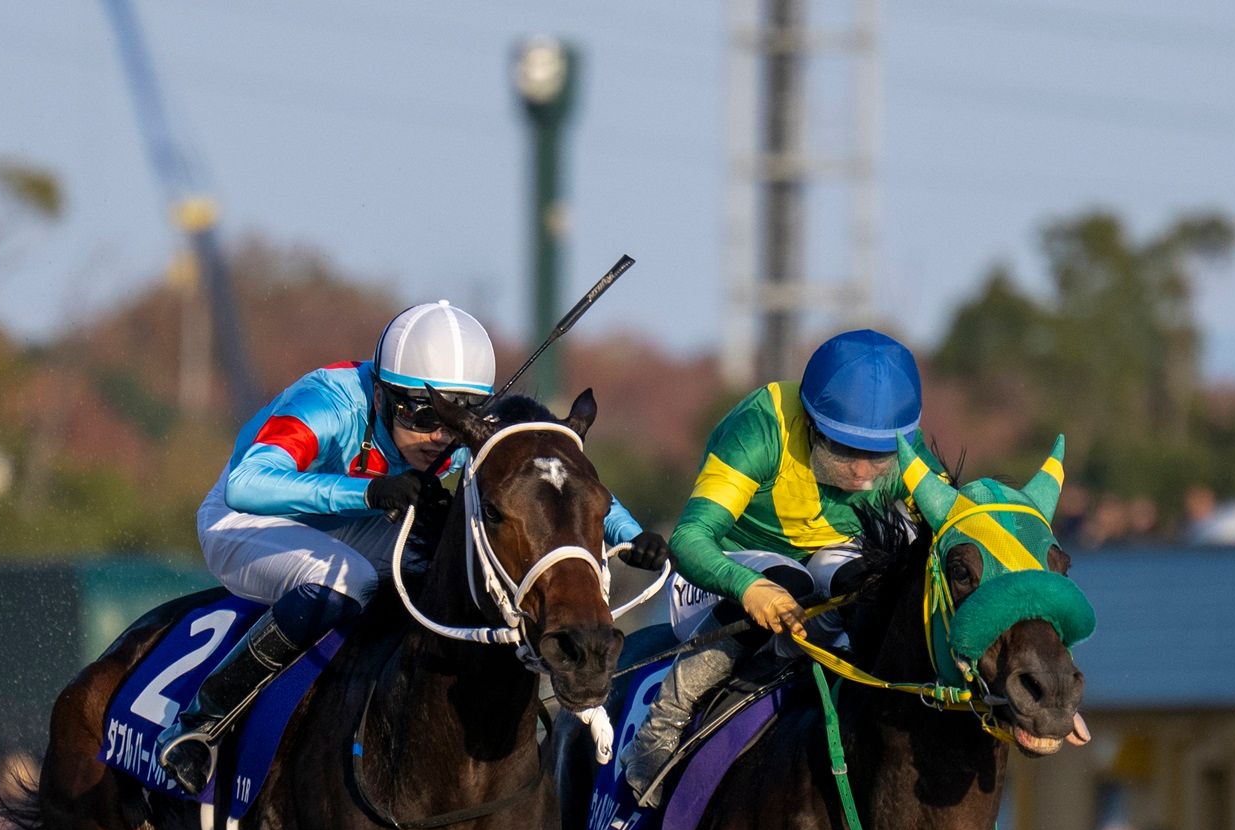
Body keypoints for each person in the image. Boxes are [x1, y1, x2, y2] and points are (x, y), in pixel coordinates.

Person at [155, 300, 651, 793]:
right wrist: (368, 492)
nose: (439, 434)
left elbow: (559, 480)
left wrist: (629, 534)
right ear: (380, 393)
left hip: (354, 522)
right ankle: (204, 721)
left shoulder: (454, 430)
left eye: (455, 415)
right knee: (347, 578)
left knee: (451, 562)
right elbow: (246, 483)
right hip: (249, 521)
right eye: (418, 413)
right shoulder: (330, 401)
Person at [621, 328, 939, 803]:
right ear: (809, 423)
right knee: (786, 579)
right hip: (719, 576)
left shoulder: (905, 456)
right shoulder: (761, 428)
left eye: (877, 457)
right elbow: (689, 540)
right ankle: (662, 725)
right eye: (844, 449)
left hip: (825, 572)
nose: (862, 473)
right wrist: (749, 589)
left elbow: (964, 542)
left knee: (872, 577)